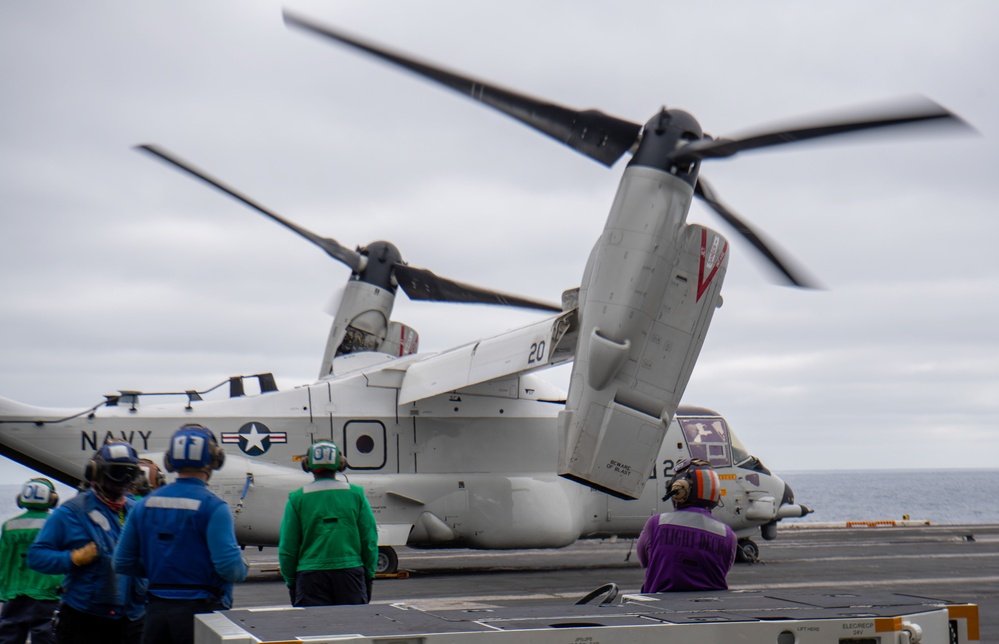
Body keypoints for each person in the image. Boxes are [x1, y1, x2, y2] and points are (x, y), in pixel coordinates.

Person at [114, 424, 247, 644]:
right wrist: (243, 568)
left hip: (156, 612)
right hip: (202, 614)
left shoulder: (142, 506)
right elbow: (229, 568)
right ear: (215, 459)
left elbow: (121, 562)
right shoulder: (214, 507)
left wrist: (160, 567)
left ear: (170, 459)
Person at [27, 441, 147, 644]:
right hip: (85, 620)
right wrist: (73, 558)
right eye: (117, 473)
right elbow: (36, 556)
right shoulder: (71, 512)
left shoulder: (137, 511)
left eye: (131, 473)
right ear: (96, 473)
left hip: (133, 620)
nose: (125, 480)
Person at [278, 440, 378, 607]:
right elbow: (369, 540)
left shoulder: (297, 499)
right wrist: (368, 576)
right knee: (353, 630)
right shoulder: (356, 495)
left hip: (310, 577)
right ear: (340, 464)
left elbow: (287, 548)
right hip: (350, 574)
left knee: (316, 630)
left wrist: (291, 582)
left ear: (307, 464)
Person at [637, 458, 738, 593]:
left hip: (660, 609)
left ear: (678, 490)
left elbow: (644, 561)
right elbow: (723, 570)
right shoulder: (728, 536)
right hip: (712, 609)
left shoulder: (656, 524)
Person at [0, 478, 63, 644]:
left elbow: (4, 561)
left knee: (9, 636)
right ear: (52, 499)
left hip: (14, 593)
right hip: (47, 592)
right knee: (45, 636)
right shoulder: (55, 523)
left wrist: (3, 591)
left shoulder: (8, 525)